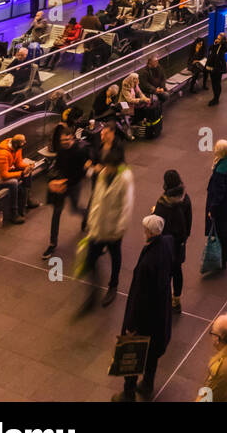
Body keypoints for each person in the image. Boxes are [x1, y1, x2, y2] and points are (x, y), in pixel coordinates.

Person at [113, 215, 175, 402]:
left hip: (145, 318)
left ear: (149, 233)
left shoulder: (147, 263)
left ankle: (128, 393)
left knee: (134, 353)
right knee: (153, 352)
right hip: (160, 313)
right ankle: (147, 383)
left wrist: (131, 325)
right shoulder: (167, 244)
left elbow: (139, 298)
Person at [78, 142, 134, 312]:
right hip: (99, 226)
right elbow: (96, 199)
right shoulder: (103, 174)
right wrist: (91, 220)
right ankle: (93, 291)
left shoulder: (125, 179)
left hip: (113, 229)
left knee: (115, 256)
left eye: (109, 167)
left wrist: (119, 229)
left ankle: (113, 286)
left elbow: (127, 206)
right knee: (90, 259)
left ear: (116, 167)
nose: (106, 169)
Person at [42, 126, 90, 258]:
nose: (64, 143)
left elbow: (82, 173)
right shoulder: (62, 150)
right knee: (56, 212)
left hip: (74, 184)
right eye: (62, 141)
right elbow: (58, 165)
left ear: (72, 137)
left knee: (74, 209)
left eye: (67, 140)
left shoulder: (80, 151)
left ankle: (87, 216)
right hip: (62, 184)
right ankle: (52, 244)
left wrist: (64, 183)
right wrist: (53, 180)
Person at [153, 169, 192, 311]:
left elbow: (157, 225)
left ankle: (163, 299)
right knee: (177, 271)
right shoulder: (185, 199)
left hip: (165, 245)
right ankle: (176, 300)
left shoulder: (163, 203)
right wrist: (184, 238)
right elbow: (189, 222)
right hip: (179, 244)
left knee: (165, 272)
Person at [0, 134, 38, 224]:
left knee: (27, 171)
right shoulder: (3, 154)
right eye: (23, 142)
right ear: (17, 144)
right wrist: (21, 173)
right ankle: (14, 213)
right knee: (13, 183)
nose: (25, 143)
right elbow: (4, 175)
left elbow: (19, 164)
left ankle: (27, 199)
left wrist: (29, 166)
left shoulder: (17, 148)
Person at [205, 140, 227, 268]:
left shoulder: (220, 172)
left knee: (220, 231)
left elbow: (218, 195)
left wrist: (212, 210)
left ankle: (223, 258)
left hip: (221, 207)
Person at [206, 32, 227, 106]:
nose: (217, 39)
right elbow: (210, 48)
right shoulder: (216, 45)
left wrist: (226, 42)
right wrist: (215, 43)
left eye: (219, 39)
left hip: (218, 68)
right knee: (213, 83)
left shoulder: (223, 46)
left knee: (217, 83)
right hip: (212, 66)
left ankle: (216, 98)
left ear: (222, 40)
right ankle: (215, 97)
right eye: (217, 38)